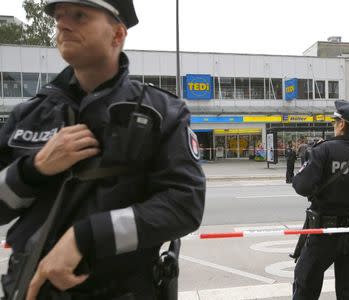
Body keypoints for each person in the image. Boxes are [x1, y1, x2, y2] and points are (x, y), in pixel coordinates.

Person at [0, 1, 205, 299]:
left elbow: (184, 206)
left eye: (80, 16)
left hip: (122, 289)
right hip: (29, 288)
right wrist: (34, 169)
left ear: (117, 35)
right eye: (60, 17)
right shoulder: (28, 115)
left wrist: (87, 236)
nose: (63, 24)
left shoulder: (161, 113)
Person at [291, 100, 349, 300]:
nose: (333, 125)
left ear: (342, 124)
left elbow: (302, 186)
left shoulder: (324, 149)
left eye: (334, 122)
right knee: (347, 294)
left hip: (324, 233)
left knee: (305, 289)